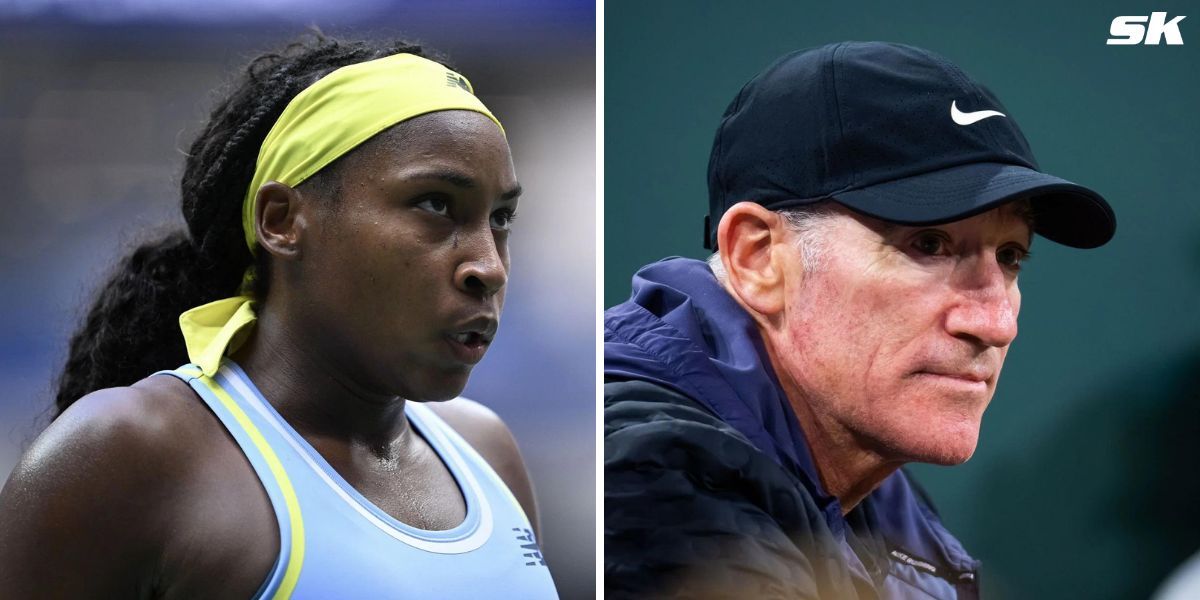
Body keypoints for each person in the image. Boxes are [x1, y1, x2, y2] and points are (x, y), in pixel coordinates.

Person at [0, 35, 558, 598]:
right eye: (435, 204)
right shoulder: (128, 452)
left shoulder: (489, 453)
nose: (488, 266)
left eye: (501, 217)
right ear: (282, 220)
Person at [604, 41, 1116, 598]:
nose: (994, 324)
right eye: (929, 244)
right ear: (758, 258)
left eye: (1012, 255)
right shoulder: (655, 481)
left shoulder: (871, 488)